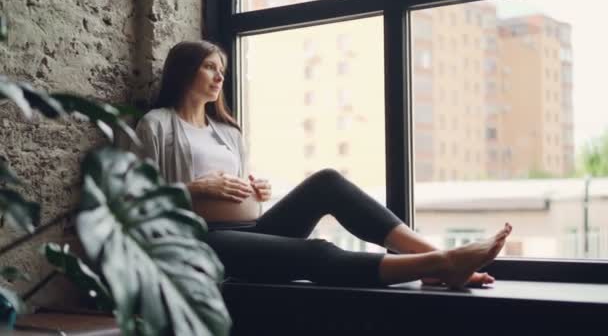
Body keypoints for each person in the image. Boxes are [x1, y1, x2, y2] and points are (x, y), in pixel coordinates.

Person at [133, 40, 512, 289]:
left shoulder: (227, 132)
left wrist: (256, 192)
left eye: (222, 70)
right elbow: (134, 205)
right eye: (210, 67)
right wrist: (194, 189)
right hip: (199, 242)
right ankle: (439, 264)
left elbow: (236, 193)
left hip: (249, 231)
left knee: (327, 181)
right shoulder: (157, 125)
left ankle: (423, 253)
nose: (219, 76)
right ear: (184, 71)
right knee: (317, 252)